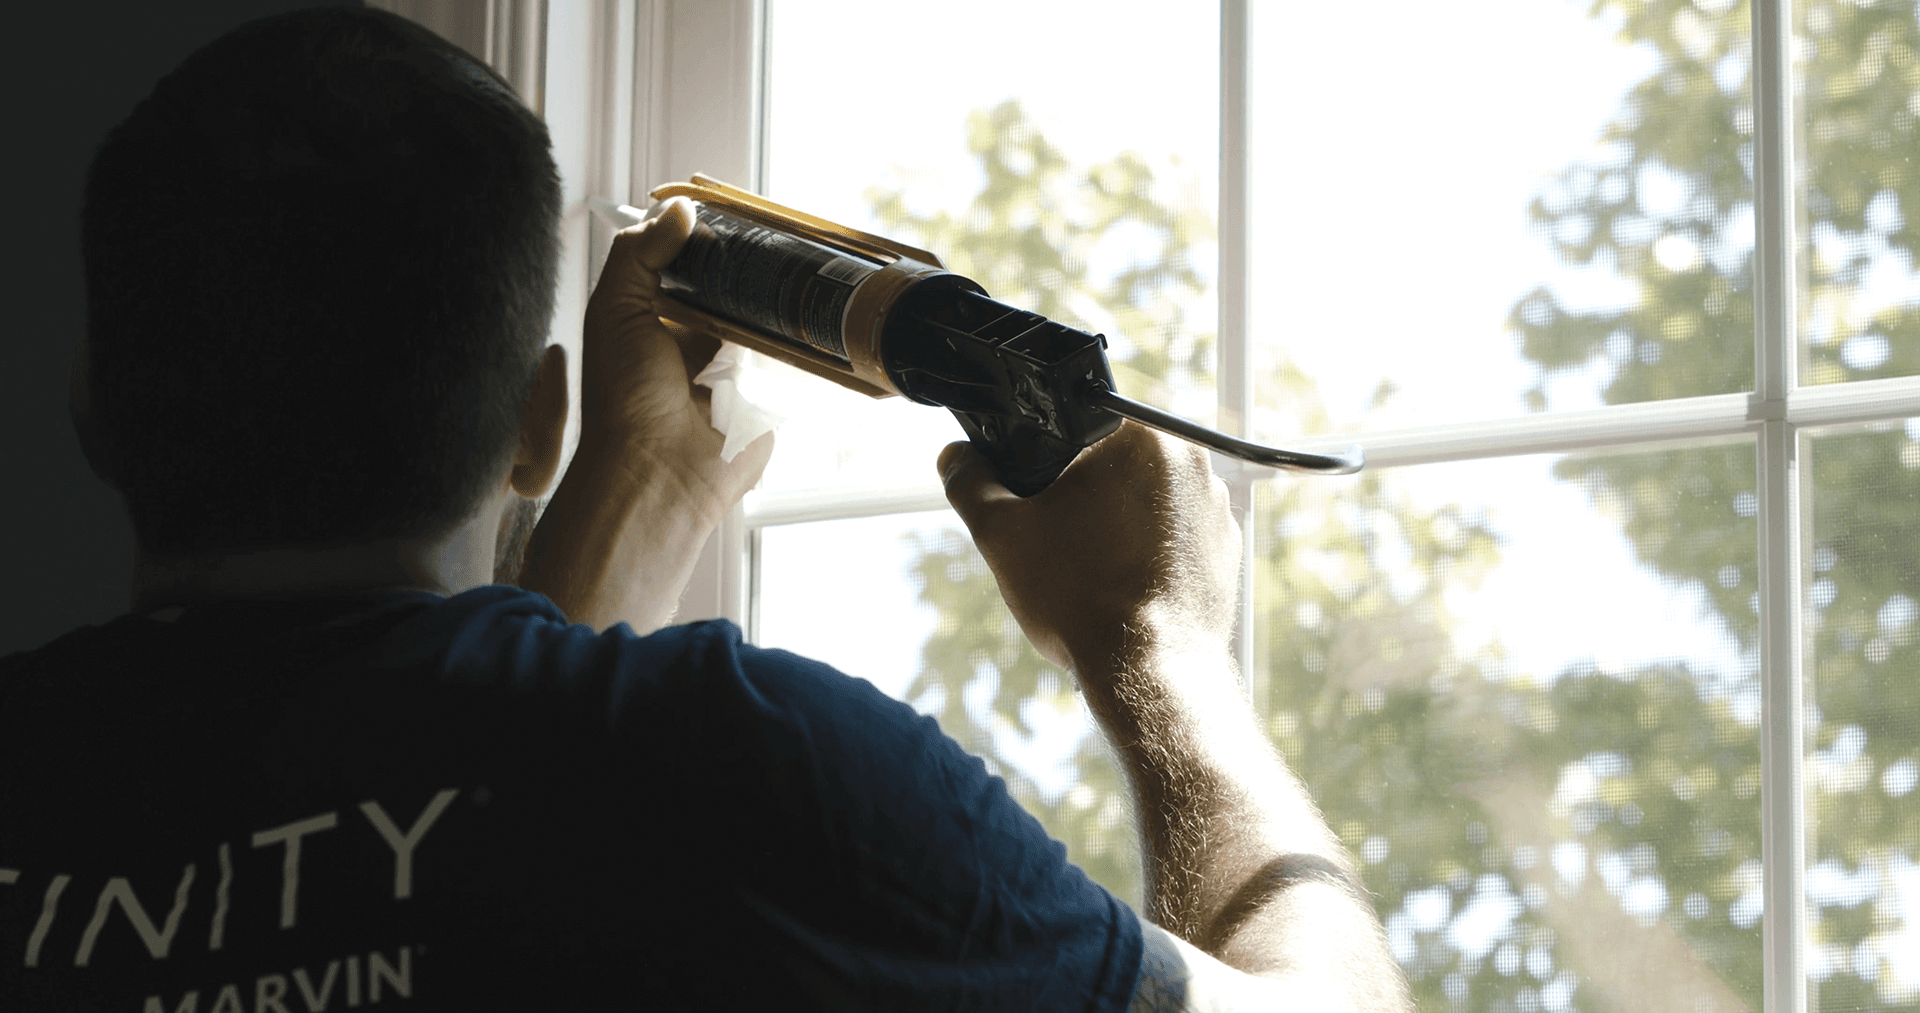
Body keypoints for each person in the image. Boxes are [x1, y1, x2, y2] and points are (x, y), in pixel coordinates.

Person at [1, 8, 1409, 1011]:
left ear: (88, 407)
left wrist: (638, 503)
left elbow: (459, 830)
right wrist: (1154, 648)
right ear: (537, 423)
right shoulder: (762, 781)